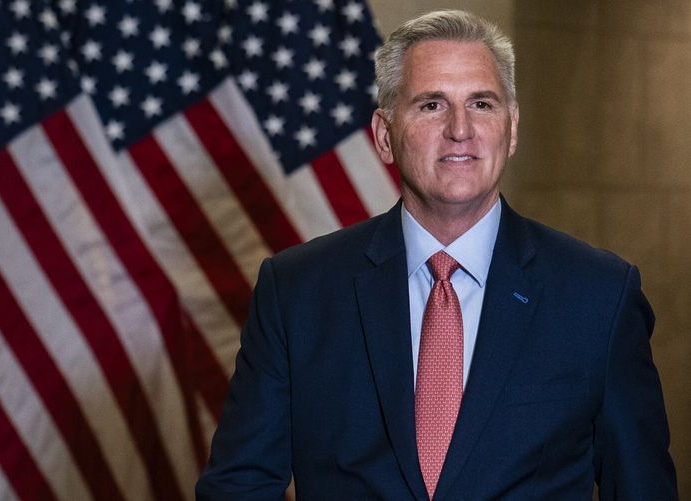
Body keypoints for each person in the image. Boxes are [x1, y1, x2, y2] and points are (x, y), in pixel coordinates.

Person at [196, 9, 677, 500]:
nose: (460, 129)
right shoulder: (297, 292)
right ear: (384, 135)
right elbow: (238, 487)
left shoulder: (599, 297)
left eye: (482, 104)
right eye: (431, 105)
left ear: (511, 128)